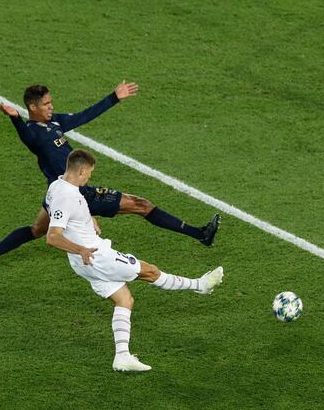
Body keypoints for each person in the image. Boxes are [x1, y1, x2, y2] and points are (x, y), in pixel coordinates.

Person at [0, 81, 219, 277]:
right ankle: (199, 234)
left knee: (36, 230)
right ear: (32, 107)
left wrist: (114, 98)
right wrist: (15, 119)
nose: (51, 107)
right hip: (78, 195)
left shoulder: (55, 123)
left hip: (57, 195)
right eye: (46, 104)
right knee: (142, 205)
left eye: (51, 102)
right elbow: (25, 135)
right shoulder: (33, 134)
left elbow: (84, 116)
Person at [45, 149, 223, 371]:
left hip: (83, 263)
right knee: (150, 272)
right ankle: (201, 285)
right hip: (95, 255)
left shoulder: (57, 185)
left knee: (124, 300)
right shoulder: (67, 196)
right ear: (81, 170)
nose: (89, 177)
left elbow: (64, 210)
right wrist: (80, 248)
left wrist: (87, 218)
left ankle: (122, 357)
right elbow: (52, 237)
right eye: (89, 173)